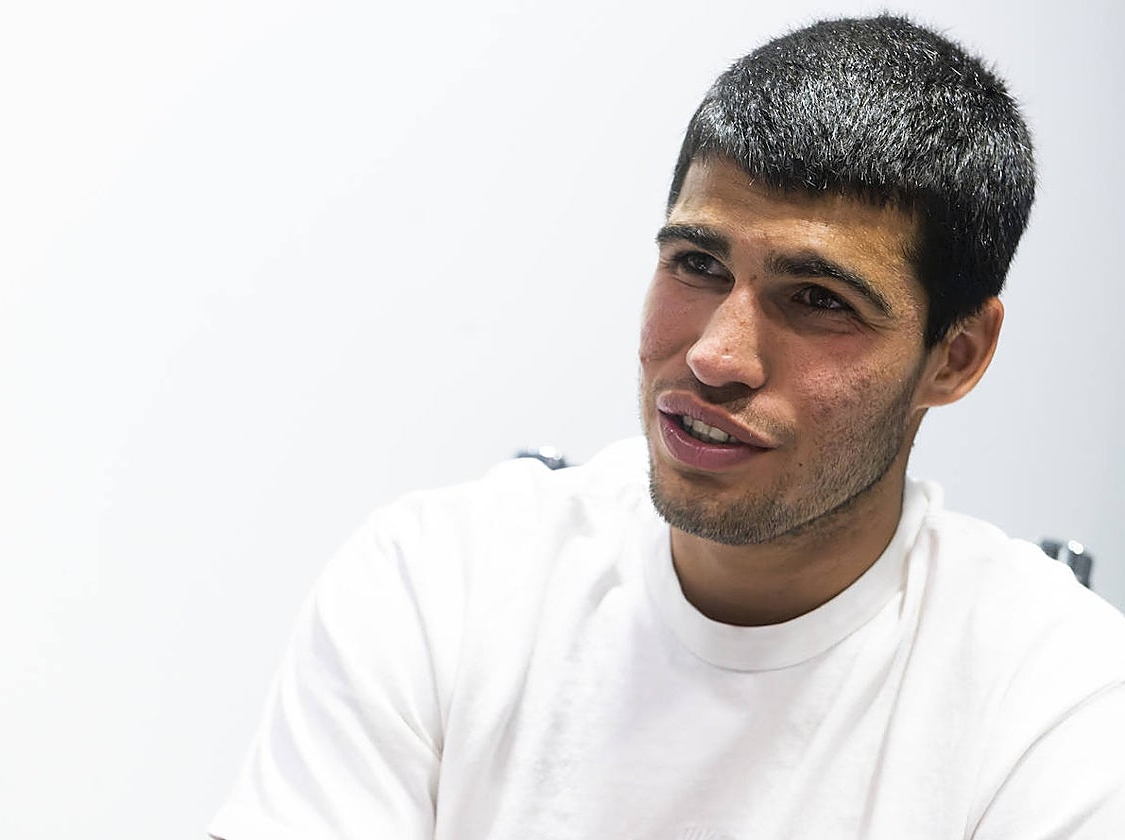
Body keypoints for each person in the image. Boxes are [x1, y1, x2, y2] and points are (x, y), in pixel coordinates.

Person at [209, 15, 1125, 839]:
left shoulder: (1058, 696)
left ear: (956, 356)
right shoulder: (439, 581)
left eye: (817, 299)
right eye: (696, 264)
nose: (717, 357)